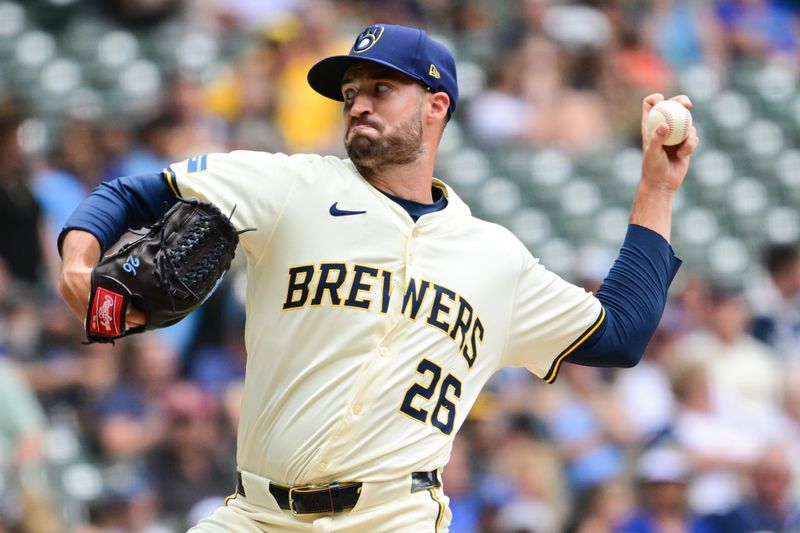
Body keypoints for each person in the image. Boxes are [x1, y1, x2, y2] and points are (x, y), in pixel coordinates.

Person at [57, 23, 698, 532]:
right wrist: (80, 255)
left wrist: (657, 187)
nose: (358, 104)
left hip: (394, 517)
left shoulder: (494, 258)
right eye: (350, 93)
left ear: (436, 105)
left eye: (380, 90)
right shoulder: (290, 185)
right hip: (256, 516)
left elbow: (623, 332)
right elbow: (133, 192)